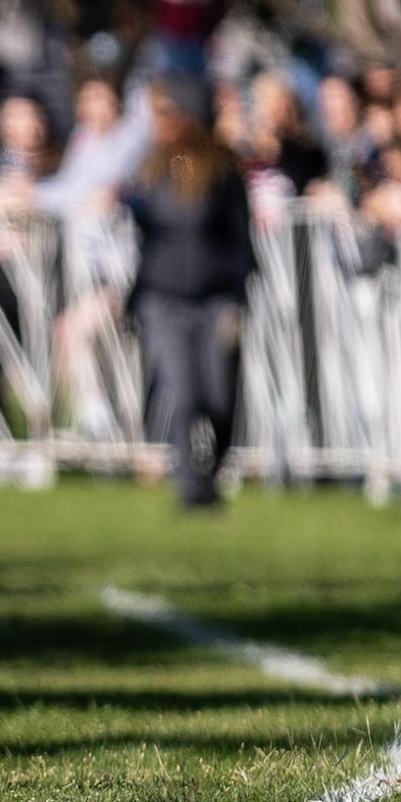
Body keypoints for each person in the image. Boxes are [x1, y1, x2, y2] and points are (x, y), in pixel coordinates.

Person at [127, 77, 255, 508]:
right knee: (183, 394)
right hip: (164, 296)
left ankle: (212, 473)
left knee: (219, 396)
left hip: (215, 295)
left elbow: (238, 238)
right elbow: (150, 227)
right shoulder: (155, 168)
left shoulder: (219, 170)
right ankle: (190, 485)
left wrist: (239, 296)